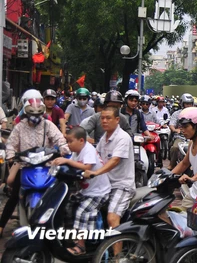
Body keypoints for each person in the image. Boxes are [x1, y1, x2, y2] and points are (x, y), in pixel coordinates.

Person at [0, 97, 70, 237]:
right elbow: (11, 144)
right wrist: (11, 155)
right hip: (24, 163)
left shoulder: (48, 125)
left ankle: (61, 225)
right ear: (26, 113)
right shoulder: (20, 127)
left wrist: (63, 148)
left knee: (60, 191)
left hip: (46, 164)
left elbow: (59, 139)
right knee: (13, 192)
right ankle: (1, 225)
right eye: (32, 113)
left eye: (38, 114)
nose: (35, 117)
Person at [52, 127, 111, 256]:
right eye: (67, 142)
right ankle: (69, 237)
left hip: (99, 192)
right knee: (67, 205)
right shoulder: (76, 151)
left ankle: (81, 246)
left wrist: (67, 160)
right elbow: (72, 165)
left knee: (82, 212)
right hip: (86, 191)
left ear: (81, 140)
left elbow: (87, 167)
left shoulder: (88, 149)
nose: (68, 145)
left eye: (70, 141)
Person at [84, 107, 135, 230]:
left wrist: (95, 173)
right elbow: (95, 157)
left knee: (112, 218)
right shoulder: (104, 138)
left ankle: (118, 250)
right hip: (105, 185)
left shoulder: (123, 138)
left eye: (108, 118)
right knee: (82, 207)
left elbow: (115, 160)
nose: (104, 121)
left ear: (117, 120)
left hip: (121, 185)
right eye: (102, 118)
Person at [168, 93, 195, 170]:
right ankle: (172, 165)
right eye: (186, 103)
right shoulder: (176, 114)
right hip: (180, 137)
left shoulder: (195, 113)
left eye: (190, 104)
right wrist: (175, 130)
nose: (188, 105)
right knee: (175, 148)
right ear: (182, 103)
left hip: (193, 137)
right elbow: (171, 125)